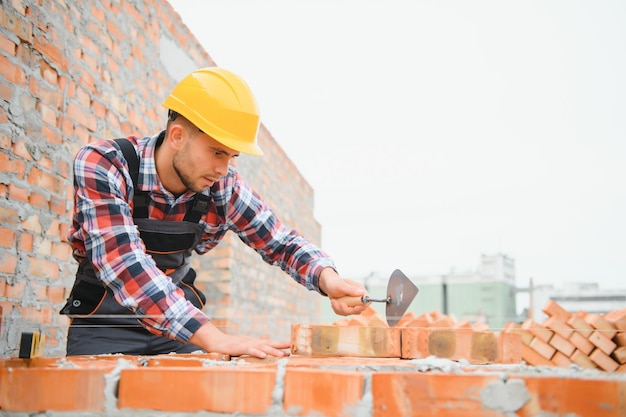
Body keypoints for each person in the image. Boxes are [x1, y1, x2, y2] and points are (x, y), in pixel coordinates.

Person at [61, 67, 369, 357]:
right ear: (177, 136)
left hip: (179, 334)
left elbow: (280, 242)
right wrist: (214, 337)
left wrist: (327, 278)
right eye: (217, 152)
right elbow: (123, 262)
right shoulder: (105, 165)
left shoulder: (223, 186)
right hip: (104, 326)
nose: (224, 169)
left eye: (232, 156)